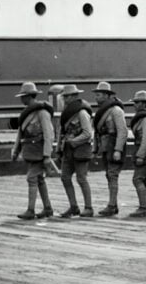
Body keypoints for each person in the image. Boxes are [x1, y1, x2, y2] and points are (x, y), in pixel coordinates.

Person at [11, 82, 56, 220]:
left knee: (31, 178)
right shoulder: (26, 113)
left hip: (39, 151)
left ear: (29, 96)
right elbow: (21, 133)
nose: (21, 99)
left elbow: (49, 134)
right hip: (30, 151)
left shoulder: (42, 113)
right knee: (39, 179)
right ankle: (47, 208)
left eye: (23, 96)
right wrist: (16, 150)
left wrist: (47, 155)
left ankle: (30, 210)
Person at [56, 84, 95, 218]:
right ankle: (73, 206)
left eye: (67, 96)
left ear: (74, 96)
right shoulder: (67, 113)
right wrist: (58, 149)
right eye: (64, 97)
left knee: (81, 178)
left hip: (80, 150)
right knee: (65, 177)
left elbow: (87, 133)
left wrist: (73, 141)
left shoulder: (82, 113)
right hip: (68, 150)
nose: (65, 99)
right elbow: (62, 131)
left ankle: (88, 207)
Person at [91, 81, 127, 217]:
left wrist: (118, 150)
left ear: (107, 95)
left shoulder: (116, 111)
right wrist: (95, 149)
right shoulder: (101, 112)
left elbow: (122, 131)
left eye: (99, 95)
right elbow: (97, 132)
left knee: (112, 175)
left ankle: (112, 205)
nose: (96, 98)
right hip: (105, 147)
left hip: (113, 146)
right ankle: (113, 204)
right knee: (109, 175)